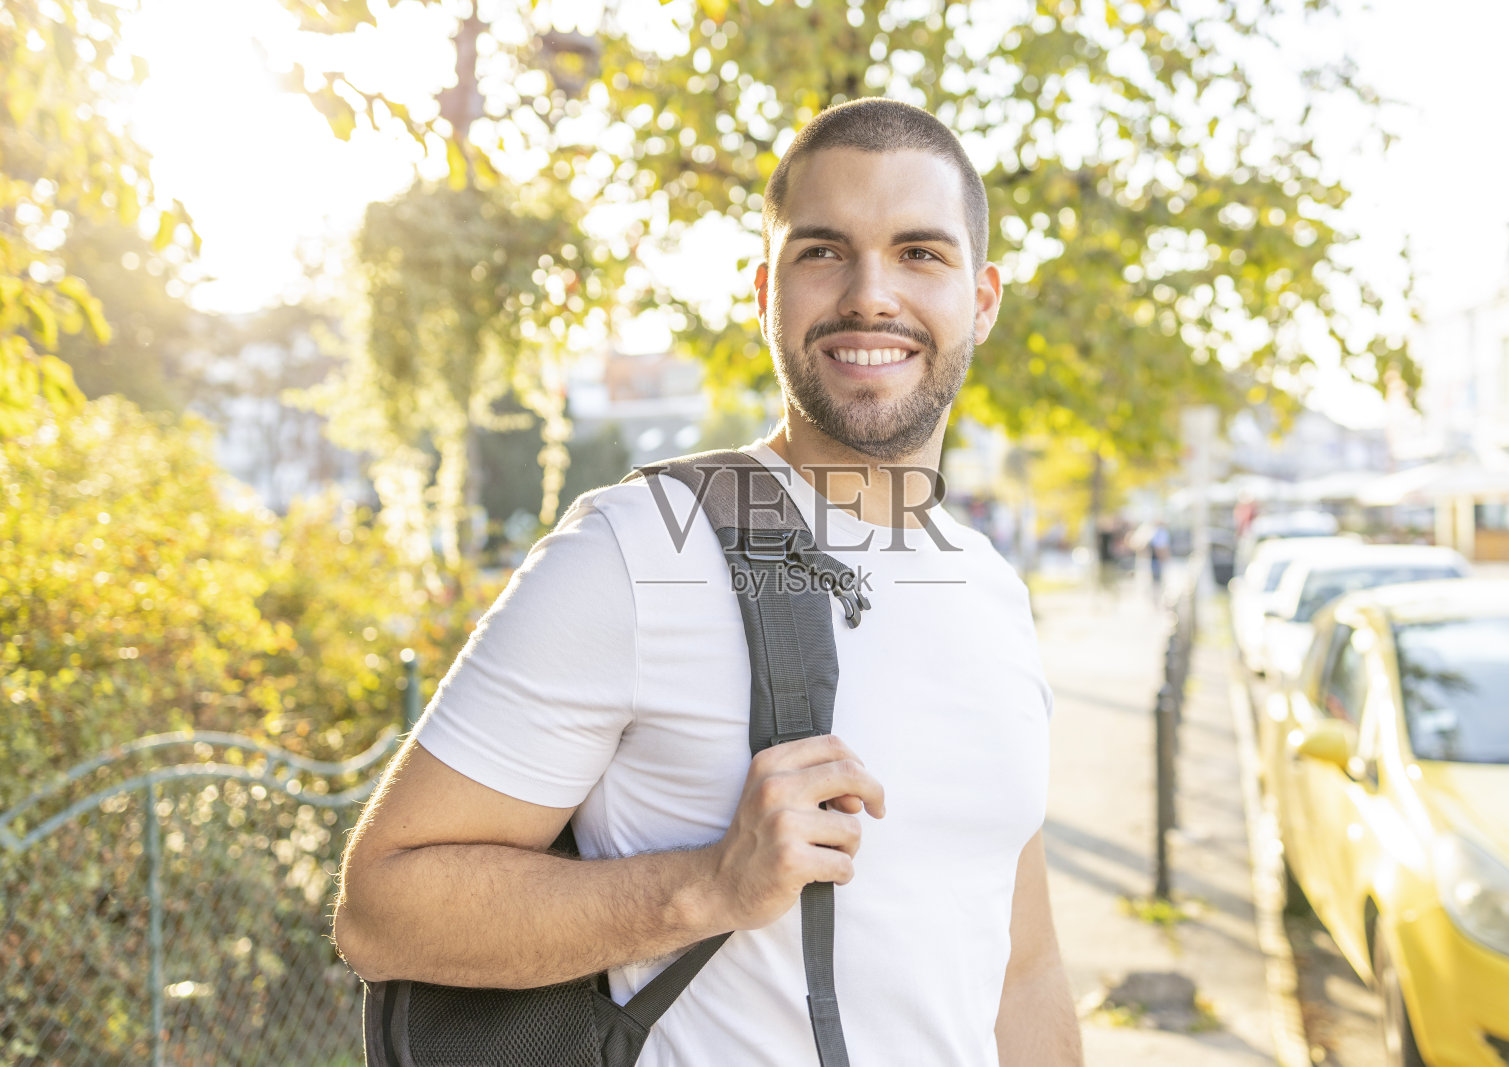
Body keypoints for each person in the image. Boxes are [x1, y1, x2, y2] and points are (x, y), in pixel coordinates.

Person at [334, 98, 1083, 1066]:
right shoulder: (638, 548)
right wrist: (709, 885)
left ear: (981, 299)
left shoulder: (990, 589)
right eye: (823, 251)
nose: (870, 294)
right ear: (766, 290)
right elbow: (382, 908)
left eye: (919, 253)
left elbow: (1024, 970)